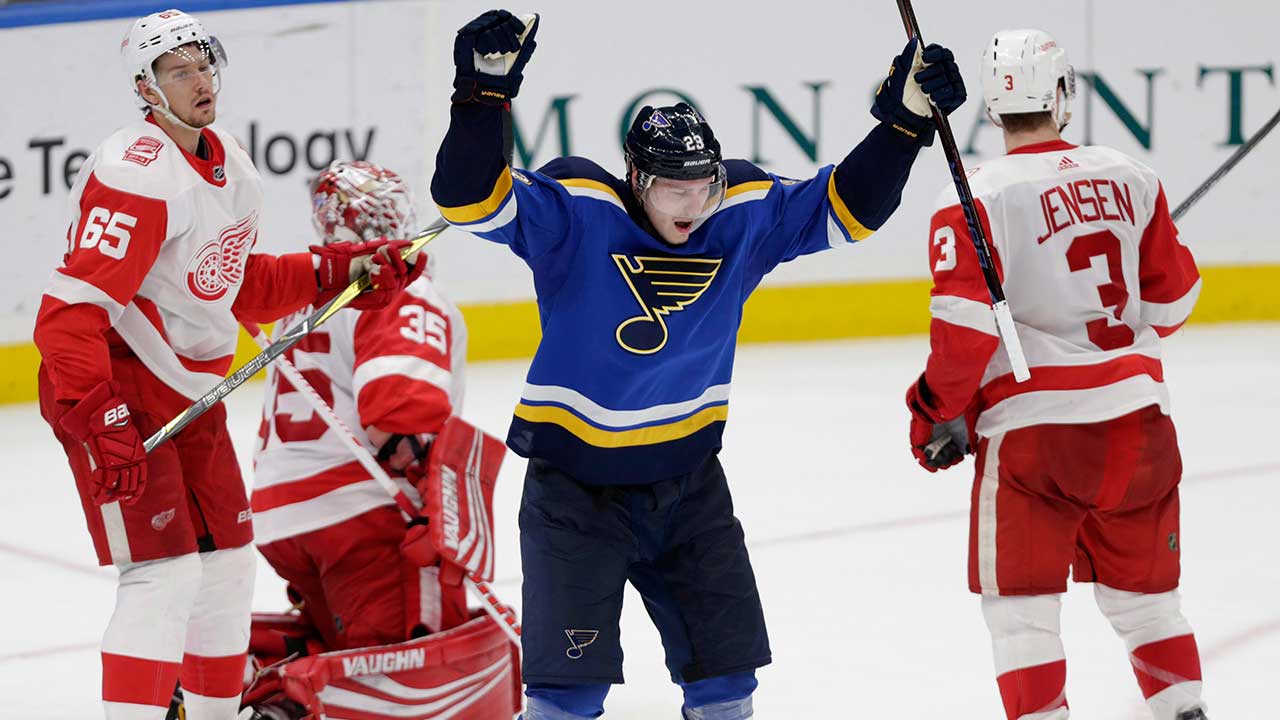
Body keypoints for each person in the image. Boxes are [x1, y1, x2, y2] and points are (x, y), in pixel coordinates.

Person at [431, 10, 967, 719]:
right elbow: (468, 198)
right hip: (575, 495)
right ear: (635, 180)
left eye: (704, 185)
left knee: (725, 686)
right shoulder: (577, 216)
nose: (694, 205)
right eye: (674, 189)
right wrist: (481, 94)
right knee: (567, 696)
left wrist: (904, 126)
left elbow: (850, 208)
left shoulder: (738, 215)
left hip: (689, 488)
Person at [33, 11, 420, 720]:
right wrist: (98, 416)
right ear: (145, 89)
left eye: (203, 62)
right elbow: (65, 319)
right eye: (177, 69)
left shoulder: (227, 159)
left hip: (189, 394)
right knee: (162, 575)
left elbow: (234, 286)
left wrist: (343, 269)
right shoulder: (136, 174)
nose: (199, 78)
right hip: (116, 390)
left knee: (228, 566)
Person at [904, 29, 1207, 720]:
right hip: (1139, 427)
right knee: (1149, 605)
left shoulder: (977, 194)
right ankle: (1185, 708)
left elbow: (964, 335)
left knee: (1022, 616)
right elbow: (1172, 307)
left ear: (991, 105)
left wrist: (931, 412)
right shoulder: (1133, 176)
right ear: (1063, 94)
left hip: (1036, 442)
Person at [252, 160, 469, 652]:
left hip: (278, 517)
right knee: (406, 672)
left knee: (343, 663)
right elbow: (400, 415)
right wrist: (434, 509)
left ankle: (262, 691)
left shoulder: (303, 294)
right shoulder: (396, 286)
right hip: (363, 515)